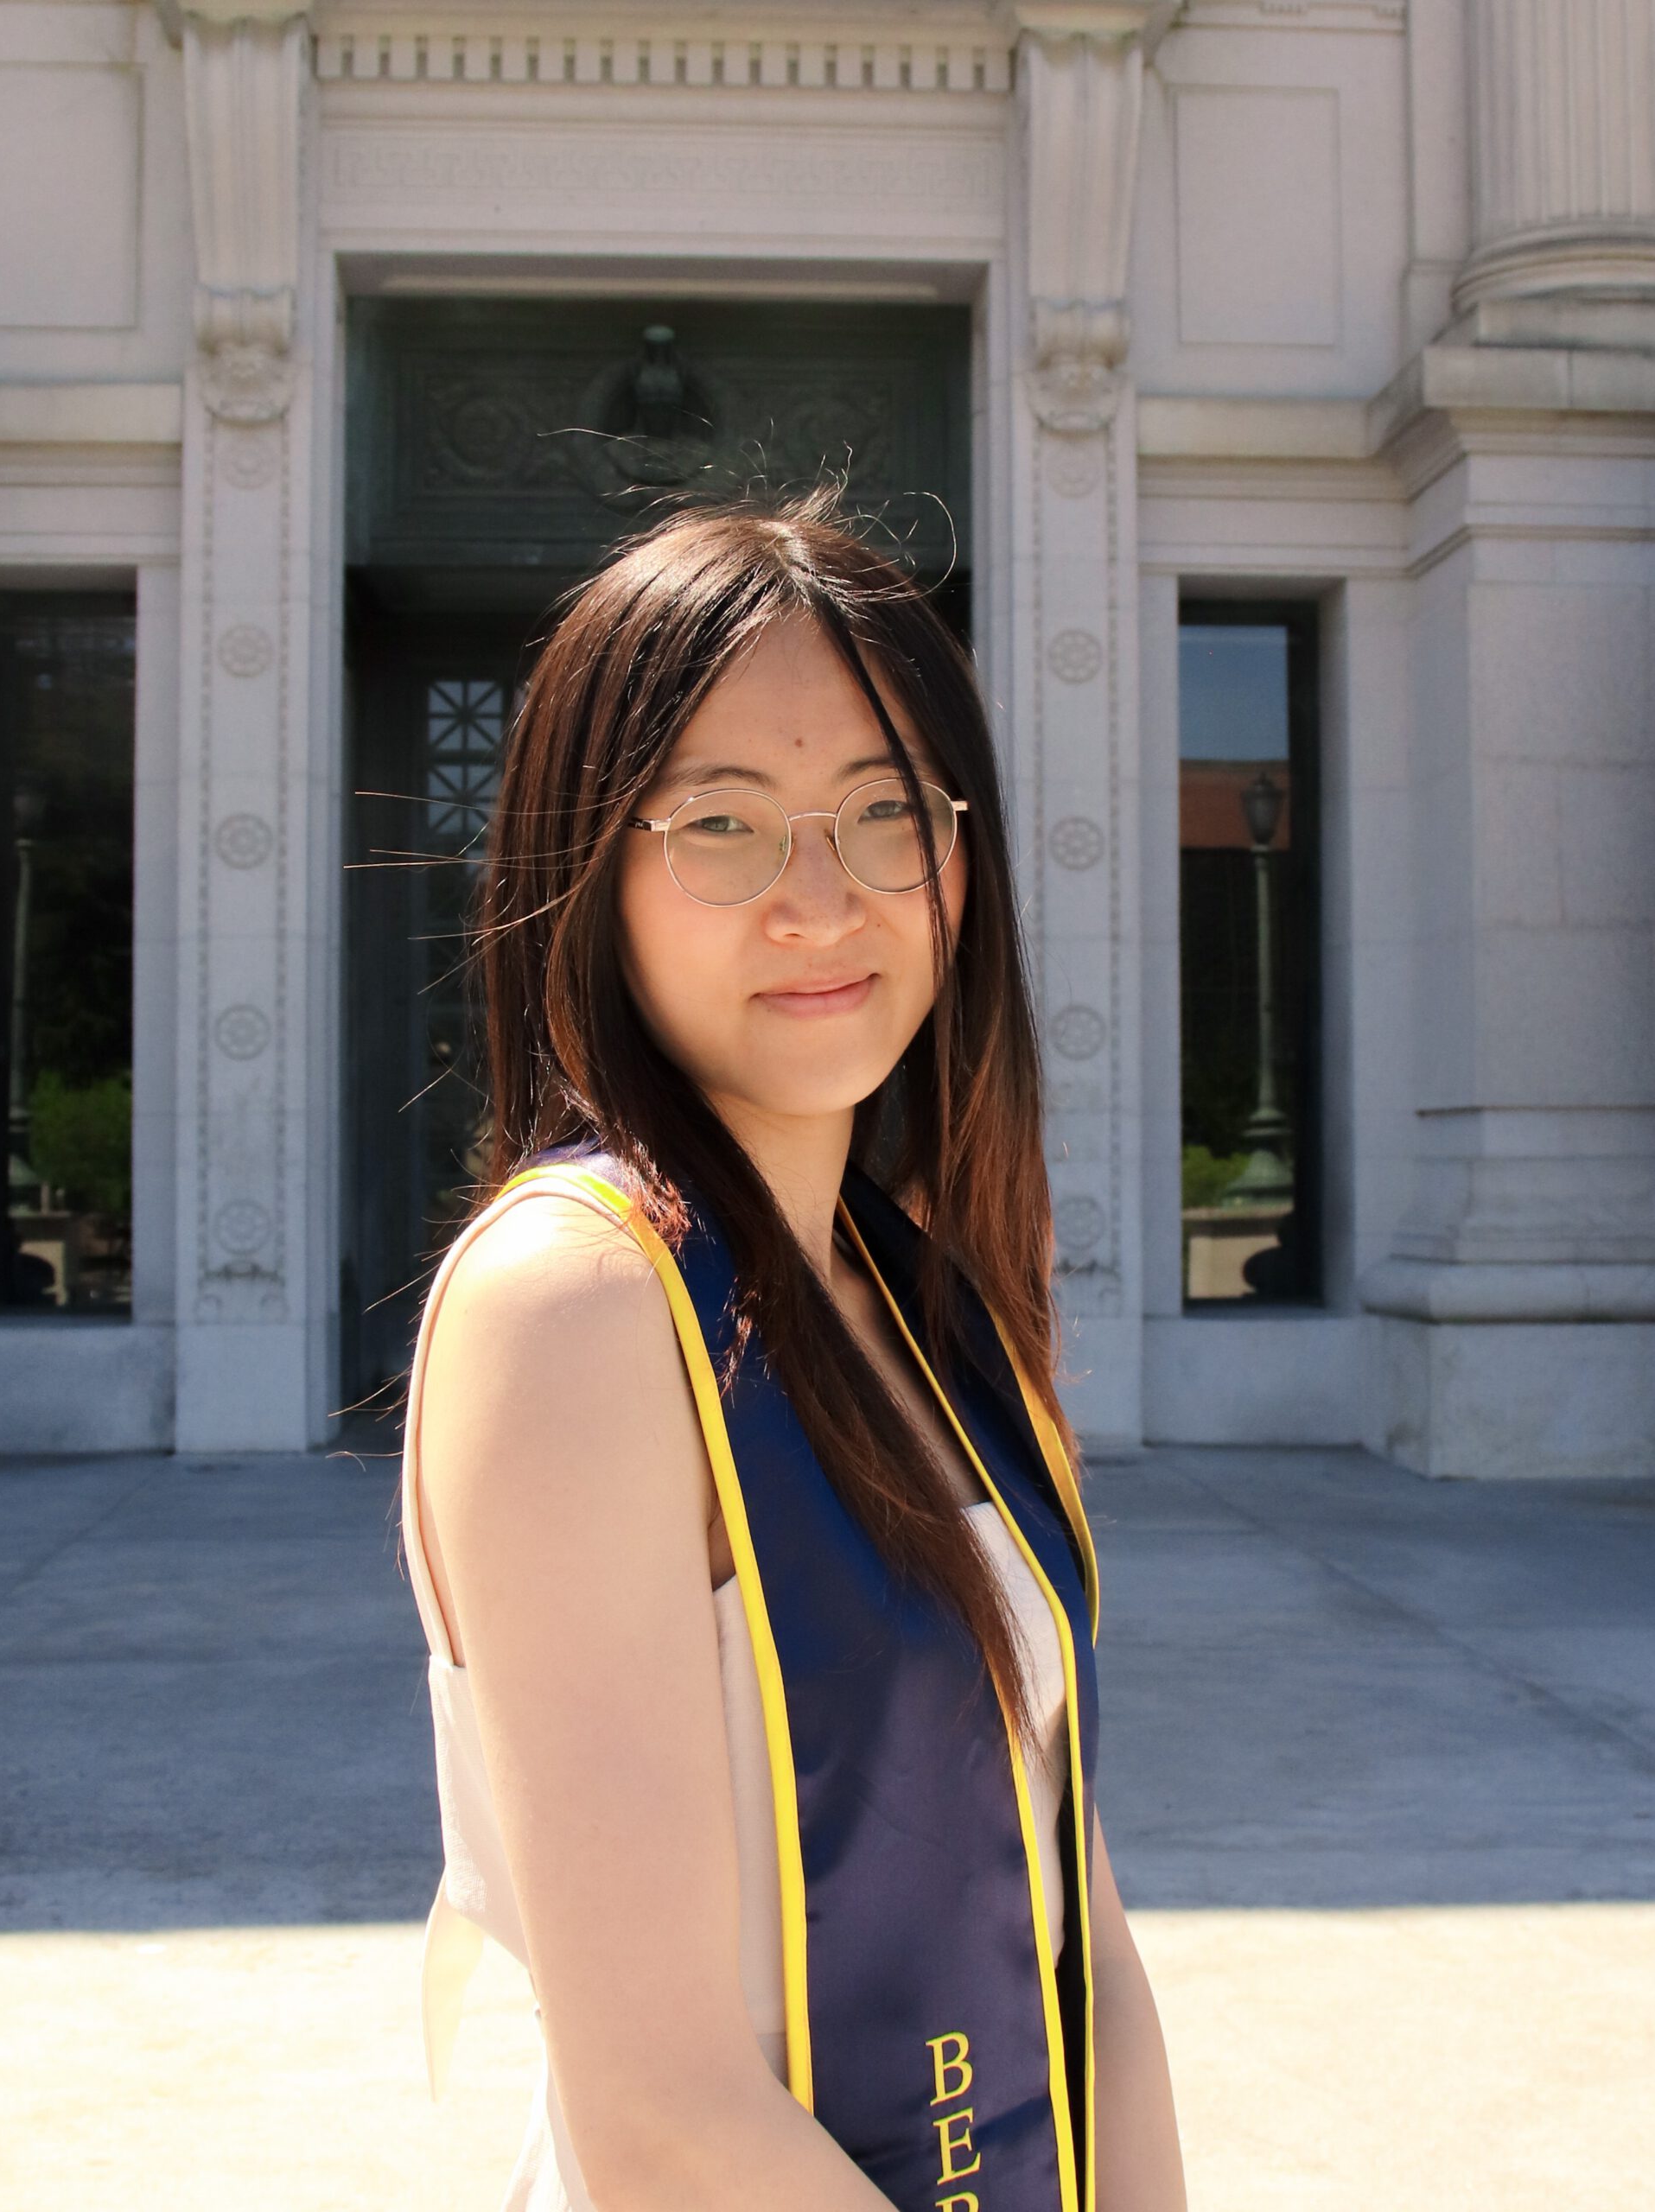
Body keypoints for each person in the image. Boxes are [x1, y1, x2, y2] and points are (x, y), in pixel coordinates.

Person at [399, 489, 1187, 2211]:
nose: (819, 898)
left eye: (881, 815)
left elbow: (1089, 1948)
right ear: (584, 873)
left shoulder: (923, 1301)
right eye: (724, 825)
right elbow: (665, 2113)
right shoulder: (579, 1307)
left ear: (957, 857)